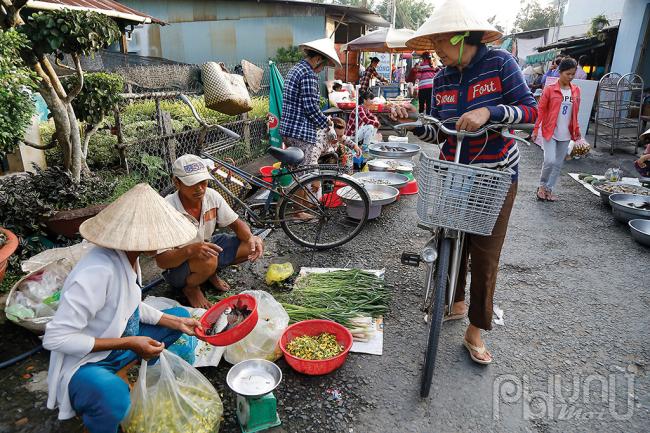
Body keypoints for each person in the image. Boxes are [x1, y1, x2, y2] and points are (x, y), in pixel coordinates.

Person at [393, 0, 538, 364]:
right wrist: (412, 119)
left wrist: (490, 110)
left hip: (496, 173)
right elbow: (438, 133)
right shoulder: (441, 78)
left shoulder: (500, 63)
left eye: (439, 43)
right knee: (448, 241)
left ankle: (476, 329)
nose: (436, 53)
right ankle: (455, 301)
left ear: (459, 37)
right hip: (454, 172)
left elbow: (531, 112)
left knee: (486, 254)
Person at [43, 183, 203, 433]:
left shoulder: (129, 257)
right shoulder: (96, 272)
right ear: (137, 237)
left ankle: (121, 371)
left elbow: (129, 304)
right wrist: (130, 343)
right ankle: (99, 415)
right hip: (86, 363)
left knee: (180, 316)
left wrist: (174, 323)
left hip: (117, 346)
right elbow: (56, 338)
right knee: (112, 397)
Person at [155, 155, 264, 309]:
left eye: (203, 182)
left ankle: (208, 273)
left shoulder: (211, 196)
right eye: (192, 183)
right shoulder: (166, 208)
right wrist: (191, 250)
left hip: (205, 246)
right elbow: (162, 261)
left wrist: (252, 237)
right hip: (177, 264)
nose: (200, 188)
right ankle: (191, 288)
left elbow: (236, 224)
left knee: (249, 246)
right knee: (209, 259)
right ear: (176, 182)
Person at [279, 38, 340, 168]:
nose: (321, 70)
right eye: (323, 66)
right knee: (307, 176)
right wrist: (327, 122)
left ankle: (294, 188)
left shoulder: (296, 68)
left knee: (296, 174)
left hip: (288, 130)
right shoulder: (308, 74)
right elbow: (311, 108)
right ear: (317, 59)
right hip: (300, 133)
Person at [533, 58, 582, 201]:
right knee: (549, 161)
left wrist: (577, 130)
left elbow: (575, 113)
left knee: (558, 164)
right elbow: (541, 110)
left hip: (566, 133)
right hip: (550, 131)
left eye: (573, 74)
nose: (571, 77)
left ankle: (549, 189)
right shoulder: (549, 89)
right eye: (568, 74)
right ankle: (542, 186)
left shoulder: (576, 91)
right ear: (560, 72)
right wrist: (536, 129)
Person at [346, 89, 381, 166]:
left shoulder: (365, 109)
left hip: (357, 133)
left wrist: (376, 121)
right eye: (370, 99)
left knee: (373, 125)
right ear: (365, 100)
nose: (372, 101)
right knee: (370, 126)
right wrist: (376, 123)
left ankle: (367, 144)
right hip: (351, 135)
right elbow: (366, 120)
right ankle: (365, 148)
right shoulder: (359, 108)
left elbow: (372, 117)